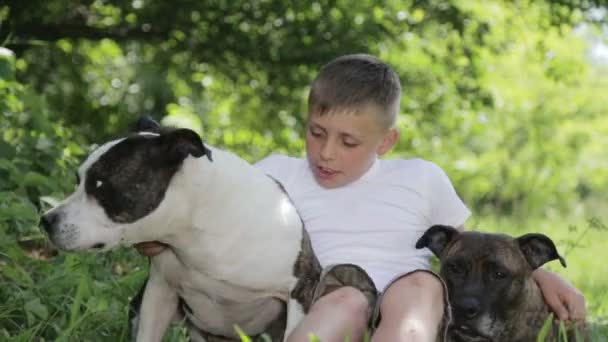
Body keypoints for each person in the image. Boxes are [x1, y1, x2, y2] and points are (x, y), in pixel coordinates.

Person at [136, 54, 586, 341]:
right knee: (348, 296)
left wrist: (545, 277)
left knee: (421, 284)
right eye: (316, 133)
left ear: (386, 143)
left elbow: (472, 250)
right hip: (322, 299)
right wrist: (154, 235)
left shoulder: (420, 177)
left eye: (349, 142)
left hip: (409, 311)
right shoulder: (275, 172)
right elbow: (206, 222)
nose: (327, 153)